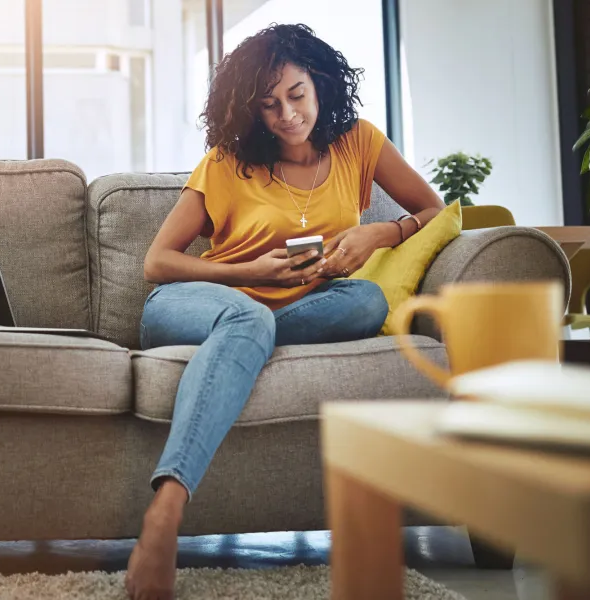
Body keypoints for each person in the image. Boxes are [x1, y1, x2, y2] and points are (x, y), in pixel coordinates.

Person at [125, 23, 445, 600]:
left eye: (296, 95)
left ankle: (243, 350)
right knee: (250, 318)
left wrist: (378, 232)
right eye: (269, 105)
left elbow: (432, 210)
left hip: (301, 310)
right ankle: (166, 512)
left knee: (367, 300)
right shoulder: (225, 162)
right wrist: (247, 274)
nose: (287, 114)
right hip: (199, 305)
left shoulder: (360, 144)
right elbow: (158, 263)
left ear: (319, 84)